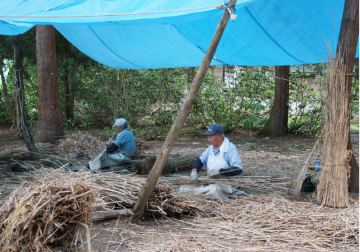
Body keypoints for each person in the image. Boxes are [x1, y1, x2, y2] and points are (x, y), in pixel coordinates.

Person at [182, 124, 243, 199]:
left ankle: (199, 194)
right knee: (184, 187)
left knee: (214, 189)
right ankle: (199, 193)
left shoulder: (230, 149)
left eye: (210, 137)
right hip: (210, 181)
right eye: (208, 137)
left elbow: (238, 169)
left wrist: (220, 171)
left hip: (226, 184)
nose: (208, 140)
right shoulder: (211, 148)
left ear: (219, 136)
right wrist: (194, 171)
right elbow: (200, 160)